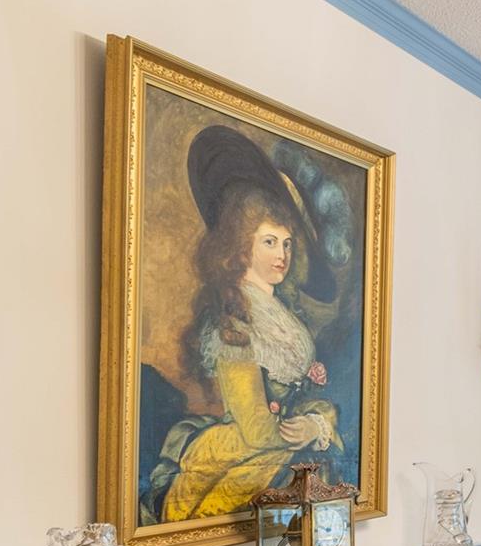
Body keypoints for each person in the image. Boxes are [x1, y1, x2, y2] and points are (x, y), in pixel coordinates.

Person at [144, 127, 344, 523]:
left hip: (278, 445)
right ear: (240, 245)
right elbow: (254, 429)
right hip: (238, 453)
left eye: (287, 243)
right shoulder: (231, 323)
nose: (282, 255)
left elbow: (301, 401)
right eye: (269, 242)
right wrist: (310, 428)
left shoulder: (284, 314)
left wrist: (316, 422)